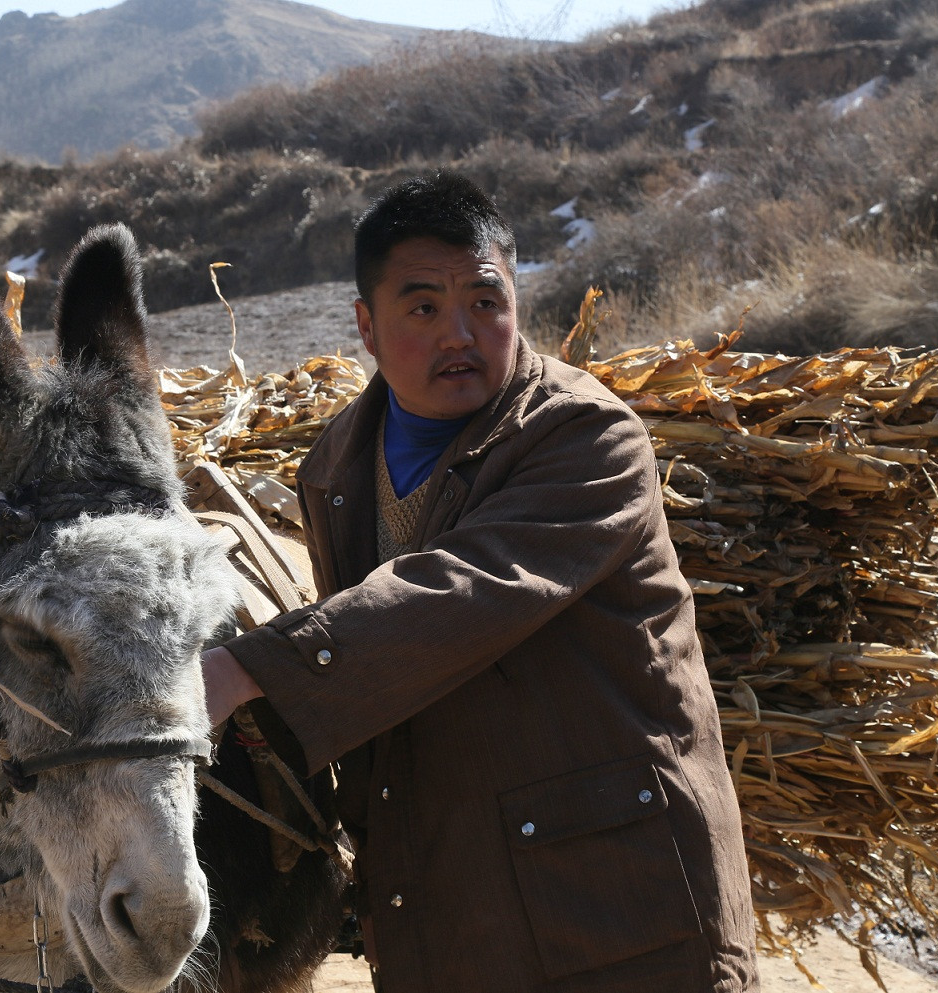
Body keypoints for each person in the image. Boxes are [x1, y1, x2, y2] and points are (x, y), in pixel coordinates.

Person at [201, 171, 759, 992]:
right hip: (451, 895)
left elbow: (469, 589)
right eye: (422, 307)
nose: (459, 333)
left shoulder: (583, 437)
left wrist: (249, 669)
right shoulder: (338, 465)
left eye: (485, 302)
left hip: (619, 901)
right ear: (365, 325)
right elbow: (389, 689)